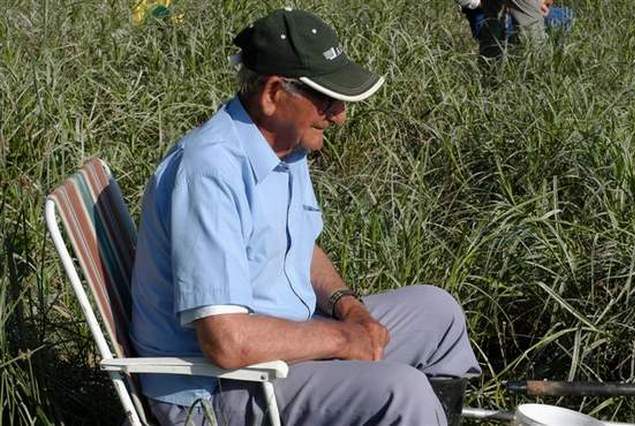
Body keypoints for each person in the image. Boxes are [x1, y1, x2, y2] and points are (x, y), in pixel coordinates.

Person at [131, 8, 480, 425]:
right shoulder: (211, 170)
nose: (340, 115)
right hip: (218, 388)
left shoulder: (285, 145)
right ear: (273, 93)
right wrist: (341, 339)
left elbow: (299, 244)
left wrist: (349, 308)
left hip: (283, 345)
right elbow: (227, 342)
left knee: (438, 313)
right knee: (402, 391)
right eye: (326, 99)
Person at [455, 0, 574, 57]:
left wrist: (540, 3)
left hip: (523, 9)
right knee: (497, 42)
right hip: (484, 14)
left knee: (565, 16)